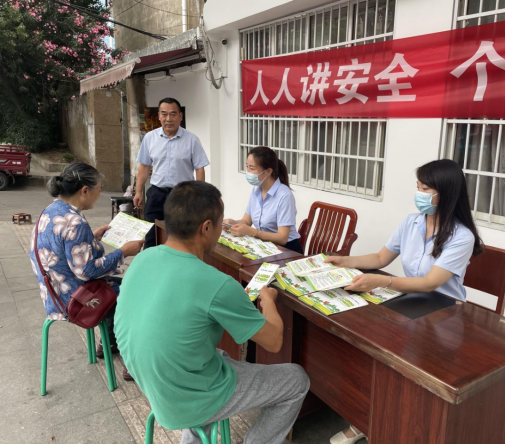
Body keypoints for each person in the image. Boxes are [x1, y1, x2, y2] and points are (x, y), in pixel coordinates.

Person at [114, 181, 310, 444]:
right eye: (221, 225)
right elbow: (274, 341)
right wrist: (269, 300)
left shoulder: (143, 259)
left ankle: (194, 436)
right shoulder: (217, 283)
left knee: (219, 355)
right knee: (296, 380)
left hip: (152, 385)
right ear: (206, 228)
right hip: (187, 397)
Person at [325, 159, 483, 444]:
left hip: (445, 315)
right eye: (417, 187)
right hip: (410, 303)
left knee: (403, 365)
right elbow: (380, 258)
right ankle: (365, 419)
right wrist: (344, 260)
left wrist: (381, 281)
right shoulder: (411, 222)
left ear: (446, 193)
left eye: (425, 189)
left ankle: (400, 426)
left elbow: (430, 283)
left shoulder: (461, 236)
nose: (418, 194)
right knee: (370, 347)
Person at [30, 163, 144, 380]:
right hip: (76, 301)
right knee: (135, 293)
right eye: (99, 190)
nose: (99, 195)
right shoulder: (76, 223)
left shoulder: (51, 211)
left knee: (117, 285)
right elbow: (87, 271)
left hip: (54, 294)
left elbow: (62, 247)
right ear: (84, 191)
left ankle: (110, 342)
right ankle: (133, 359)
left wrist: (91, 238)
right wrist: (123, 251)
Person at [133, 97, 210, 248]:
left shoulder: (192, 140)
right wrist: (138, 192)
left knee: (182, 237)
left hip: (182, 196)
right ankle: (151, 262)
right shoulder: (150, 138)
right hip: (156, 194)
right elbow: (144, 166)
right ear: (159, 116)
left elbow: (200, 169)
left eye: (173, 114)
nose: (168, 119)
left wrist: (198, 196)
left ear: (180, 116)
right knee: (151, 236)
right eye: (164, 114)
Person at [224, 146, 303, 253]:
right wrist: (232, 223)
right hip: (265, 246)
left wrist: (253, 232)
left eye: (252, 168)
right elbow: (246, 221)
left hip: (287, 250)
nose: (247, 172)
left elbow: (282, 238)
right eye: (247, 166)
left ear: (268, 171)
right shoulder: (256, 190)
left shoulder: (284, 196)